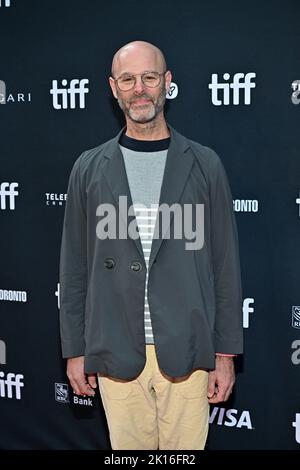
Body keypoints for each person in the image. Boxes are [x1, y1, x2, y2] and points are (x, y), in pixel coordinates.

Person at [59, 40, 243, 450]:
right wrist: (74, 350)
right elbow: (73, 268)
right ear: (113, 87)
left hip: (189, 351)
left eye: (149, 77)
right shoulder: (88, 169)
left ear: (167, 83)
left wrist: (226, 353)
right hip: (114, 351)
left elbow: (225, 267)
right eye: (128, 79)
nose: (139, 88)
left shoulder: (204, 164)